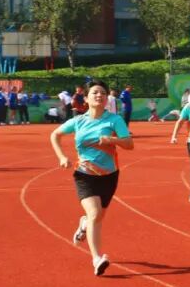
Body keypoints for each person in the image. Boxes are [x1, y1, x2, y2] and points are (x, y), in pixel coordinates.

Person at [51, 80, 133, 276]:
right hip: (84, 175)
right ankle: (97, 259)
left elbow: (129, 144)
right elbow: (55, 135)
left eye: (103, 93)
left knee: (98, 217)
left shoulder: (114, 120)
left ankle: (84, 224)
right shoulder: (78, 121)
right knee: (95, 214)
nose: (99, 96)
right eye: (95, 92)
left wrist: (112, 140)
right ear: (86, 99)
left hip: (109, 175)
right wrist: (62, 157)